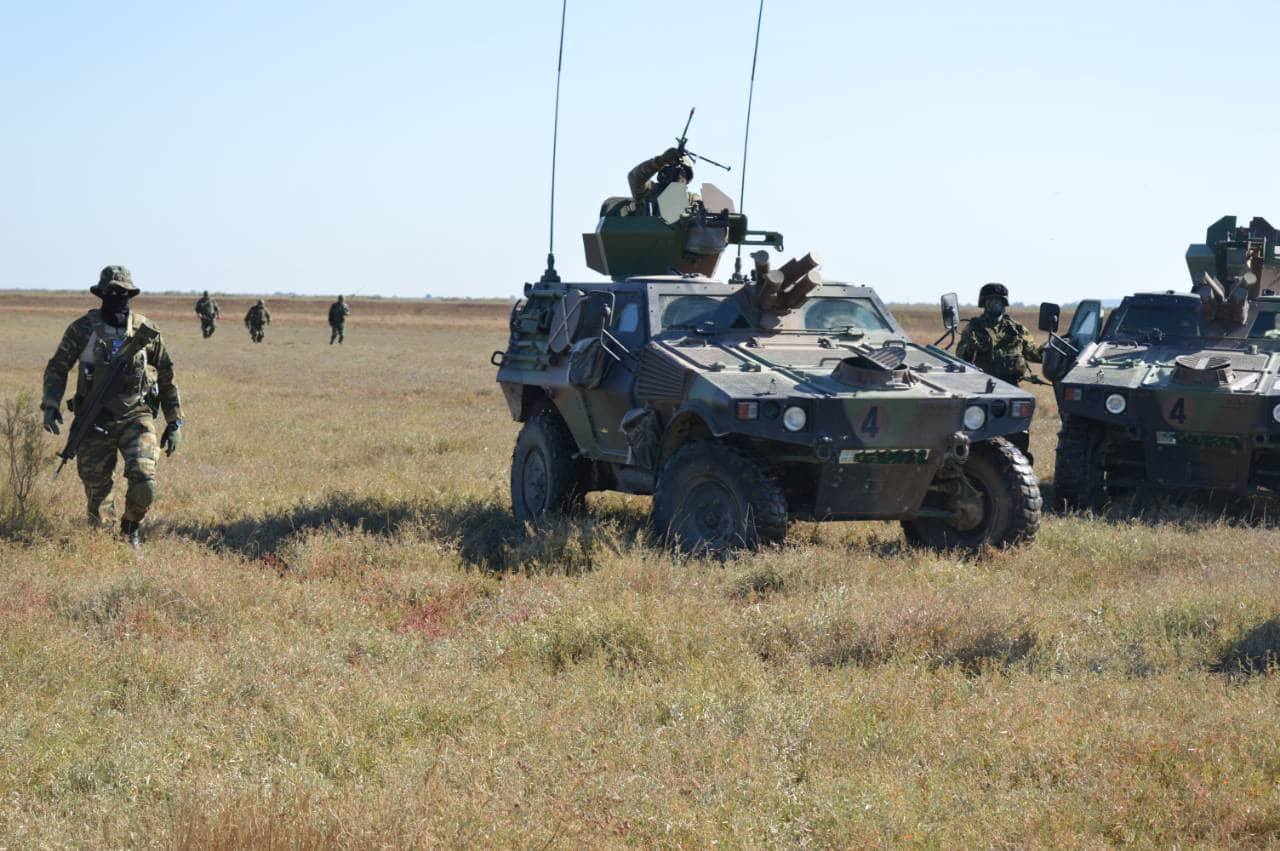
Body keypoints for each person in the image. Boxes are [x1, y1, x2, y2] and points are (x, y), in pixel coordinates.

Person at [42, 266, 183, 547]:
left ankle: (130, 529)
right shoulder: (83, 329)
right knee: (98, 497)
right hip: (94, 420)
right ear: (101, 294)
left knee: (144, 482)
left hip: (137, 417)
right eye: (110, 292)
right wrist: (50, 403)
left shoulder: (146, 331)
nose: (116, 297)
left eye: (122, 292)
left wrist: (175, 421)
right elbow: (57, 367)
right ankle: (107, 545)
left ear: (130, 295)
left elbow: (166, 375)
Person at [956, 283, 1045, 386]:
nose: (995, 304)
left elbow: (1033, 354)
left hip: (1012, 384)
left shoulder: (1017, 328)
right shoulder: (974, 328)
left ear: (1004, 303)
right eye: (991, 301)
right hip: (982, 384)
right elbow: (961, 357)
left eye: (999, 301)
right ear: (984, 304)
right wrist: (969, 348)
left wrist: (1049, 351)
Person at [627, 147, 696, 208]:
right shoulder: (649, 192)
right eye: (668, 168)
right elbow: (634, 177)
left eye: (678, 171)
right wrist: (660, 161)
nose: (671, 172)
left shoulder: (693, 201)